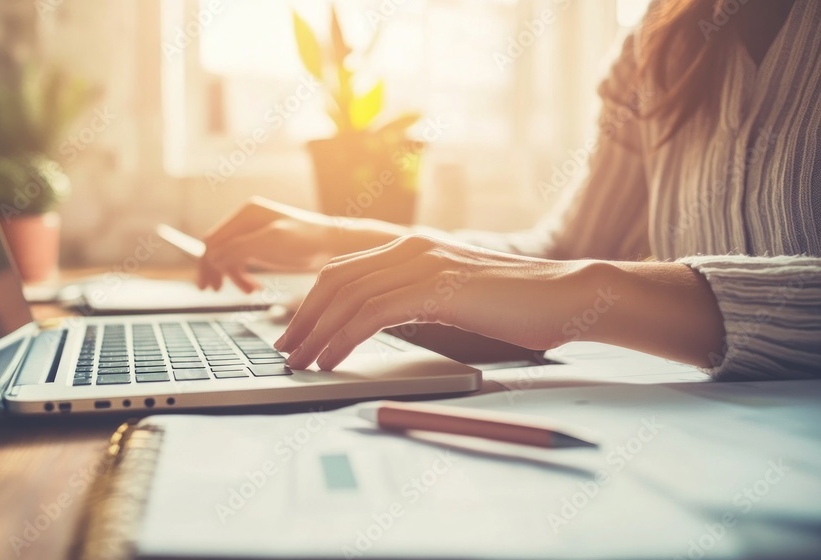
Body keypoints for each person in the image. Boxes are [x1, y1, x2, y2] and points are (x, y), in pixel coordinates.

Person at [196, 0, 820, 379]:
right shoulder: (658, 42)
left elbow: (568, 279)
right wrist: (342, 238)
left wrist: (594, 287)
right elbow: (565, 252)